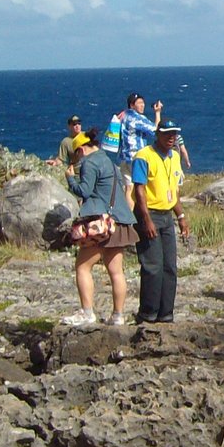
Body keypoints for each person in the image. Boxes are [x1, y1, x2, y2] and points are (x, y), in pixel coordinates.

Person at [60, 127, 139, 327]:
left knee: (83, 266)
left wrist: (70, 179)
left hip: (100, 224)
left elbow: (84, 191)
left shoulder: (89, 163)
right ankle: (118, 315)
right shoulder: (110, 164)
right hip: (120, 221)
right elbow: (120, 187)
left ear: (81, 150)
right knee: (116, 271)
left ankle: (87, 312)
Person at [132, 119, 188, 323]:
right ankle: (148, 312)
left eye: (174, 134)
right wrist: (146, 220)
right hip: (150, 214)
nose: (171, 137)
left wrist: (181, 216)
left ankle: (166, 313)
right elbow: (139, 190)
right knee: (152, 266)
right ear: (158, 134)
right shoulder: (143, 156)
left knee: (169, 266)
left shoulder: (174, 157)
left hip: (167, 215)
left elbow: (174, 190)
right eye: (167, 134)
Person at [117, 92, 162, 195]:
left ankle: (128, 211)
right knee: (141, 187)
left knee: (128, 189)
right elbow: (156, 131)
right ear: (132, 105)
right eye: (139, 103)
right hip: (136, 157)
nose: (143, 105)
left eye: (143, 102)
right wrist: (157, 112)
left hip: (124, 157)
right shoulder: (137, 118)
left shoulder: (122, 115)